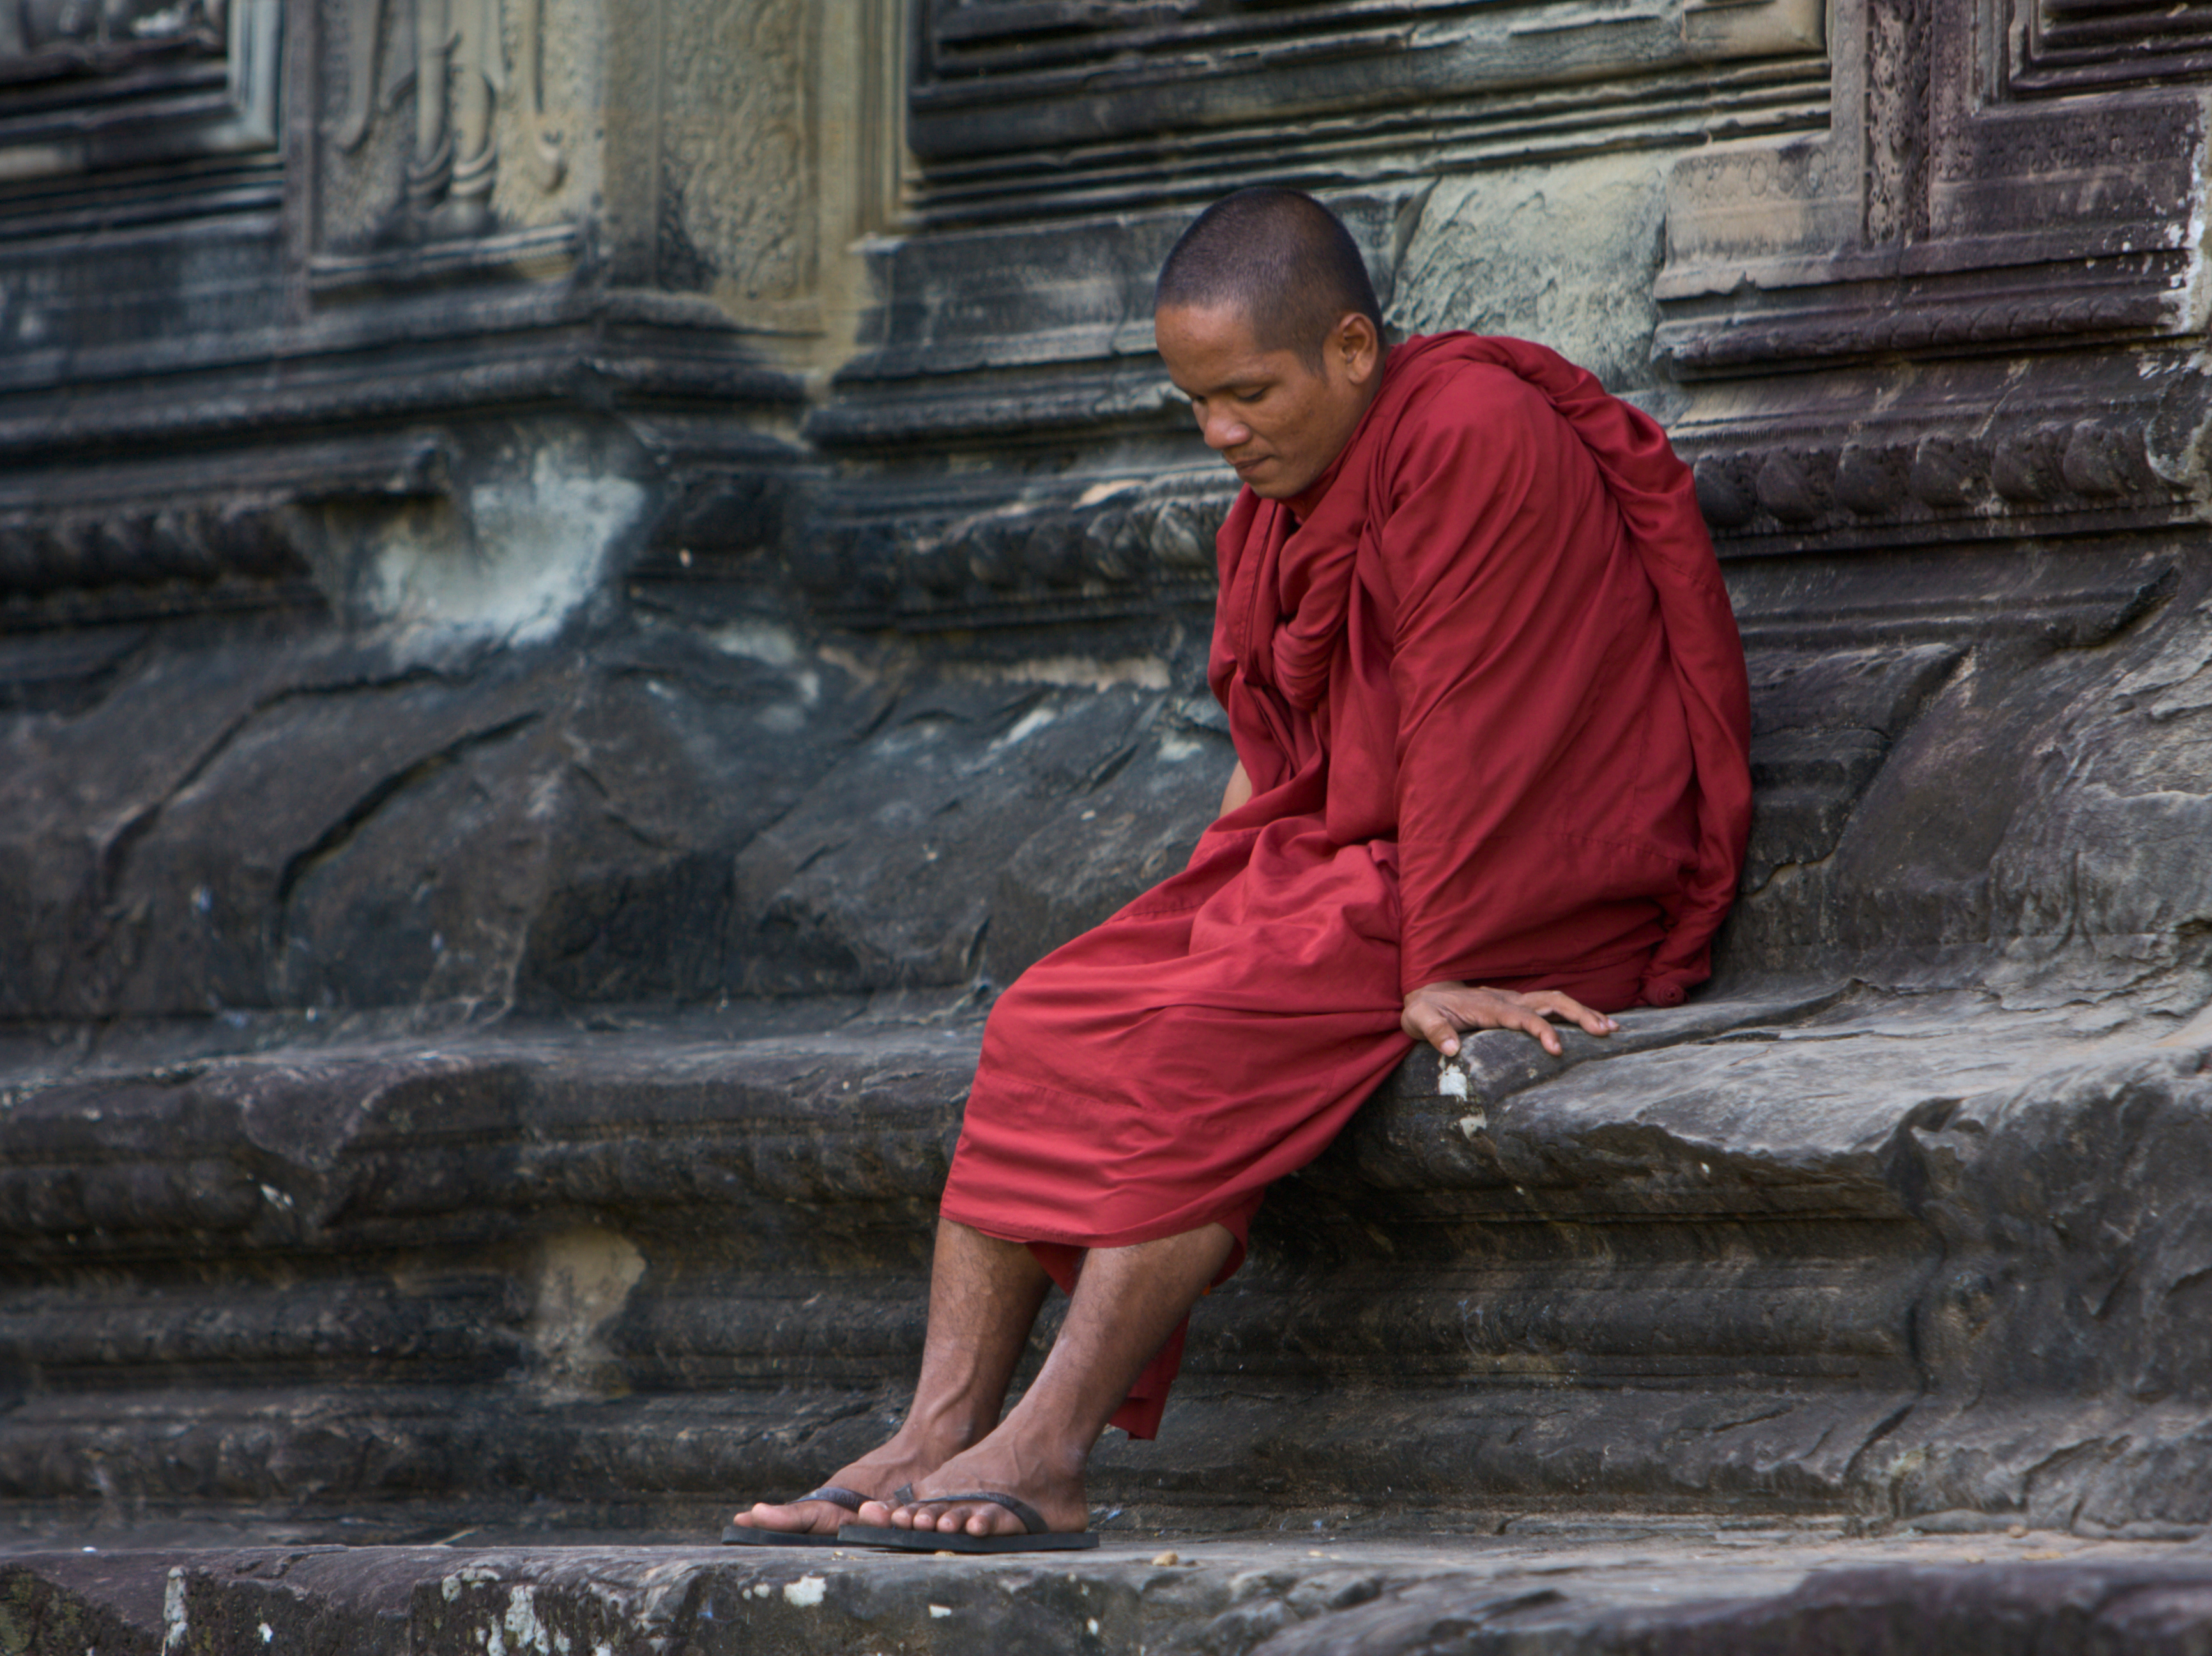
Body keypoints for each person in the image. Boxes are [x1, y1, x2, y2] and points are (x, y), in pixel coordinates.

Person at [726, 187, 1752, 1551]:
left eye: (1247, 392)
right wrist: (1199, 905)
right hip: (1370, 859)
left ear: (1349, 348)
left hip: (1526, 875)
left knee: (1202, 1029)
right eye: (1195, 403)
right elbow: (1281, 749)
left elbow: (1471, 713)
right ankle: (938, 1427)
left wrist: (1450, 960)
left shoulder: (1465, 431)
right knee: (1052, 1011)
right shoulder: (1281, 500)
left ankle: (1046, 1449)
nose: (1219, 432)